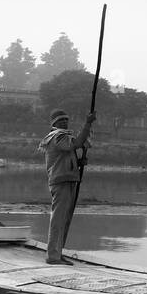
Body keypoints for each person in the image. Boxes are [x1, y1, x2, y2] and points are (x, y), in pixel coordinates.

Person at [38, 108, 95, 264]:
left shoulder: (62, 137)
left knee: (63, 220)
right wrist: (87, 124)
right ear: (54, 123)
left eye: (66, 120)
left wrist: (78, 162)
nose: (64, 122)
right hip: (61, 181)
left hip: (67, 179)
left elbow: (70, 152)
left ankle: (57, 253)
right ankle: (53, 256)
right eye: (61, 120)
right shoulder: (57, 136)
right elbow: (76, 144)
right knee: (58, 220)